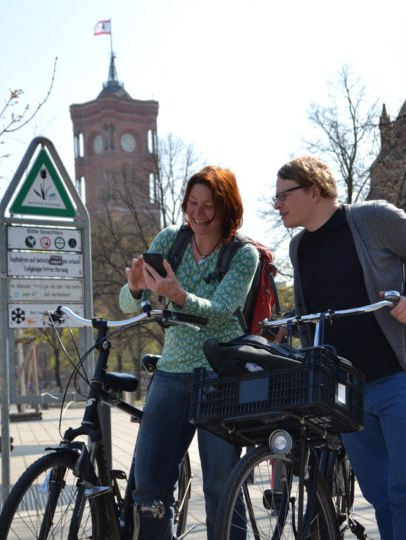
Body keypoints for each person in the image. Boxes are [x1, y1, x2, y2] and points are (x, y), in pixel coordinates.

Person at [274, 156, 406, 539]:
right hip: (348, 394)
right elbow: (320, 308)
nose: (278, 205)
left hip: (401, 378)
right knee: (380, 496)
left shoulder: (372, 218)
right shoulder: (298, 248)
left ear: (314, 190)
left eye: (284, 195)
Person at [120, 165, 258, 540]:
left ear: (227, 207)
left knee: (220, 487)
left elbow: (220, 309)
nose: (198, 213)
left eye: (208, 205)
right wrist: (134, 288)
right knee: (148, 486)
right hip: (170, 373)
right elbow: (127, 304)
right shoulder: (171, 240)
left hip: (218, 375)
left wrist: (178, 295)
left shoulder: (243, 255)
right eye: (192, 203)